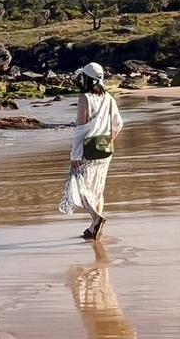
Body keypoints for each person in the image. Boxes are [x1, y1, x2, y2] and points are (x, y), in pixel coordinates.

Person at [59, 62, 124, 241]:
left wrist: (74, 155)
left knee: (79, 187)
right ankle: (95, 228)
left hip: (87, 150)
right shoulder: (109, 98)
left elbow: (80, 130)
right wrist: (109, 139)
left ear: (86, 78)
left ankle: (96, 218)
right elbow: (118, 123)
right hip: (105, 148)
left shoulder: (85, 98)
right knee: (98, 188)